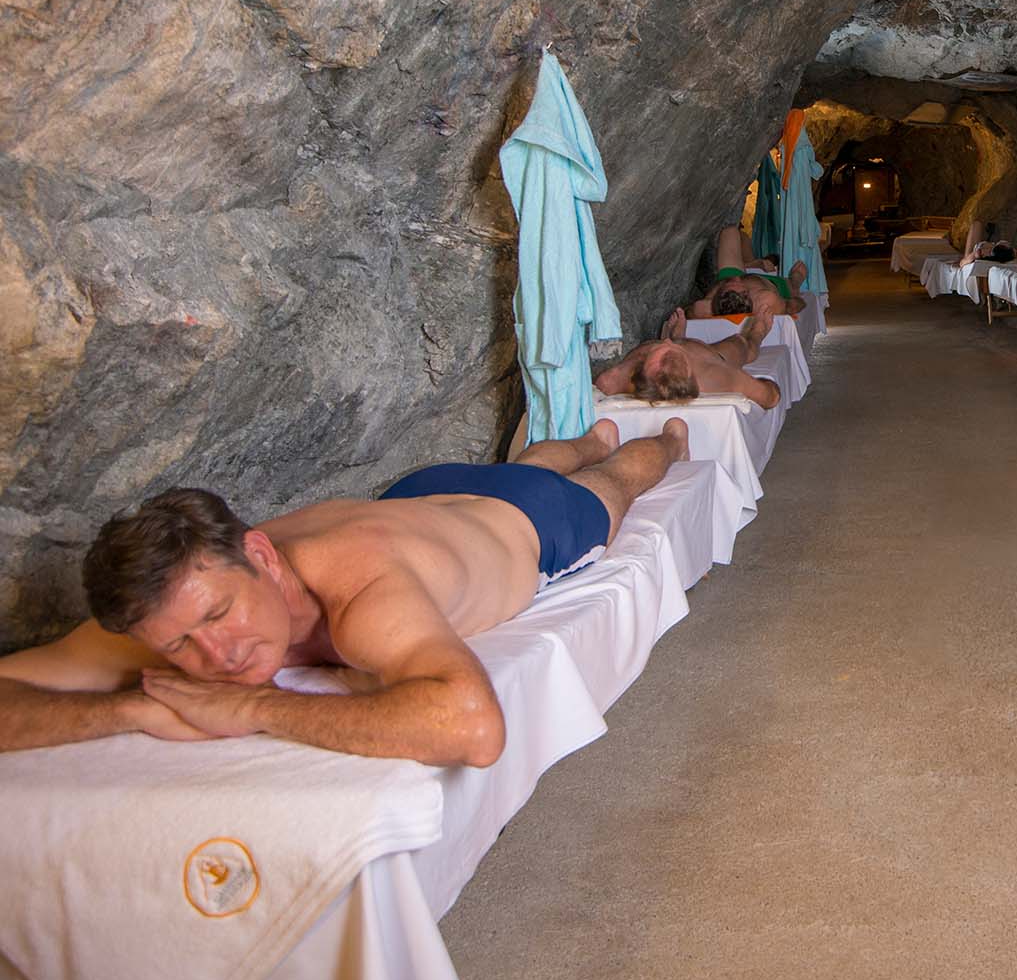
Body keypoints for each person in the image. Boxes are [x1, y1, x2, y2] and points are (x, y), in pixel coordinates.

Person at [0, 418, 690, 763]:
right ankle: (584, 437)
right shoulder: (173, 599)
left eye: (219, 613)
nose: (218, 653)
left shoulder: (361, 596)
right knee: (517, 463)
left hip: (524, 521)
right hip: (414, 497)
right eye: (180, 644)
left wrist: (254, 706)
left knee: (612, 482)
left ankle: (659, 438)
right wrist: (126, 713)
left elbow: (474, 726)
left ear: (262, 557)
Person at [595, 307, 782, 409]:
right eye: (670, 347)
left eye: (664, 346)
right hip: (711, 355)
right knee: (741, 344)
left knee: (653, 348)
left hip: (672, 363)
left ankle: (679, 337)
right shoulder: (715, 376)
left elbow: (601, 385)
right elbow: (771, 397)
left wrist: (655, 350)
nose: (667, 342)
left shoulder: (618, 378)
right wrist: (763, 385)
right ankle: (758, 333)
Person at [688, 225, 808, 318]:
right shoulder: (767, 300)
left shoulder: (705, 307)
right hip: (770, 283)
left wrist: (724, 284)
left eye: (728, 285)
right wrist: (795, 287)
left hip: (731, 279)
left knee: (730, 232)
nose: (737, 279)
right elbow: (798, 305)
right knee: (796, 277)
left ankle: (751, 264)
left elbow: (689, 312)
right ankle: (793, 283)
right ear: (747, 294)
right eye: (740, 285)